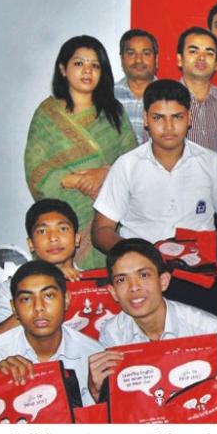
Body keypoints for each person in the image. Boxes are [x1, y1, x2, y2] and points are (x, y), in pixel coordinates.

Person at [92, 79, 217, 317]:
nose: (168, 127)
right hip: (142, 280)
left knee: (207, 336)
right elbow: (101, 230)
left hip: (200, 277)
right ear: (146, 119)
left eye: (177, 117)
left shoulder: (210, 163)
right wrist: (139, 255)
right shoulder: (127, 166)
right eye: (158, 118)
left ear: (189, 119)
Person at [86, 238, 217, 409]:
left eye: (143, 275)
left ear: (163, 281)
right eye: (121, 280)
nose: (134, 287)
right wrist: (98, 392)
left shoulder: (208, 328)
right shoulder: (112, 332)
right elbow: (122, 404)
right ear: (113, 292)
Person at [24, 35, 137, 270]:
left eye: (95, 65)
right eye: (79, 63)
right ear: (63, 69)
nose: (87, 71)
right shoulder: (47, 114)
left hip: (107, 218)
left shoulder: (114, 113)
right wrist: (76, 181)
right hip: (62, 221)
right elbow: (35, 169)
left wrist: (105, 173)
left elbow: (133, 162)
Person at [0, 260, 103, 407]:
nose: (38, 307)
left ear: (66, 300)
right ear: (14, 308)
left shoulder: (93, 354)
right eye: (26, 299)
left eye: (49, 296)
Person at [0, 199, 83, 340]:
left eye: (62, 229)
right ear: (30, 244)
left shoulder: (95, 282)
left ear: (77, 239)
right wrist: (30, 300)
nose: (53, 238)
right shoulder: (11, 288)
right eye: (42, 231)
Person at [177, 27, 217, 152]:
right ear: (180, 60)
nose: (202, 57)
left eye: (209, 53)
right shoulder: (165, 101)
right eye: (193, 51)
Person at [114, 29, 159, 144]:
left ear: (156, 59)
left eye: (146, 53)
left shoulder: (169, 96)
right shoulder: (106, 96)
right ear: (121, 59)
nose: (138, 60)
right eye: (131, 53)